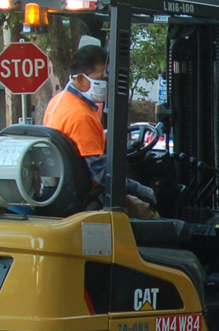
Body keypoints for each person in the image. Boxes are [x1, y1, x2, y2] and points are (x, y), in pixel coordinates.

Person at [44, 43, 156, 214]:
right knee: (149, 211)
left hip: (65, 191)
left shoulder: (59, 102)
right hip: (92, 198)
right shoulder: (80, 115)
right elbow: (101, 175)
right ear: (81, 79)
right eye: (101, 79)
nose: (106, 84)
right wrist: (140, 189)